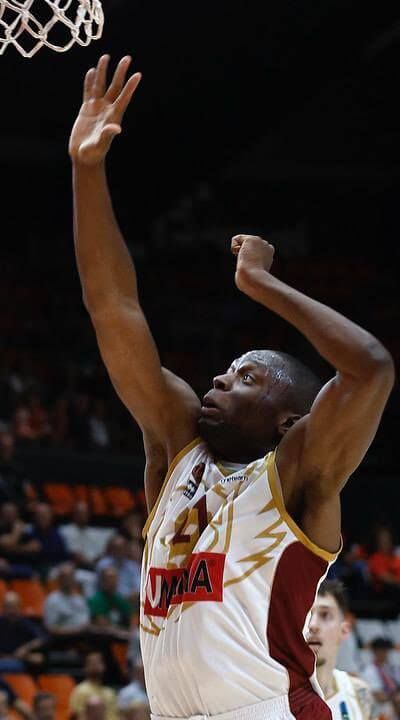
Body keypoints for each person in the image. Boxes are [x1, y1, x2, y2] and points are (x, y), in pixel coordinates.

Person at [70, 53, 395, 719]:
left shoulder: (300, 474)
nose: (219, 378)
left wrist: (263, 285)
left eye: (248, 377)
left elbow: (371, 369)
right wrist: (87, 171)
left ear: (287, 421)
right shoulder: (175, 448)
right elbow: (114, 310)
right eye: (227, 370)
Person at [305, 579, 373, 719]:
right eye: (305, 615)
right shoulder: (270, 693)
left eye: (324, 615)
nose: (312, 625)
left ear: (344, 630)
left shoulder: (359, 692)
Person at [69, 652, 117, 720]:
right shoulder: (80, 691)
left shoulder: (110, 693)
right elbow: (76, 716)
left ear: (104, 666)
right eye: (92, 663)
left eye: (98, 663)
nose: (95, 666)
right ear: (86, 668)